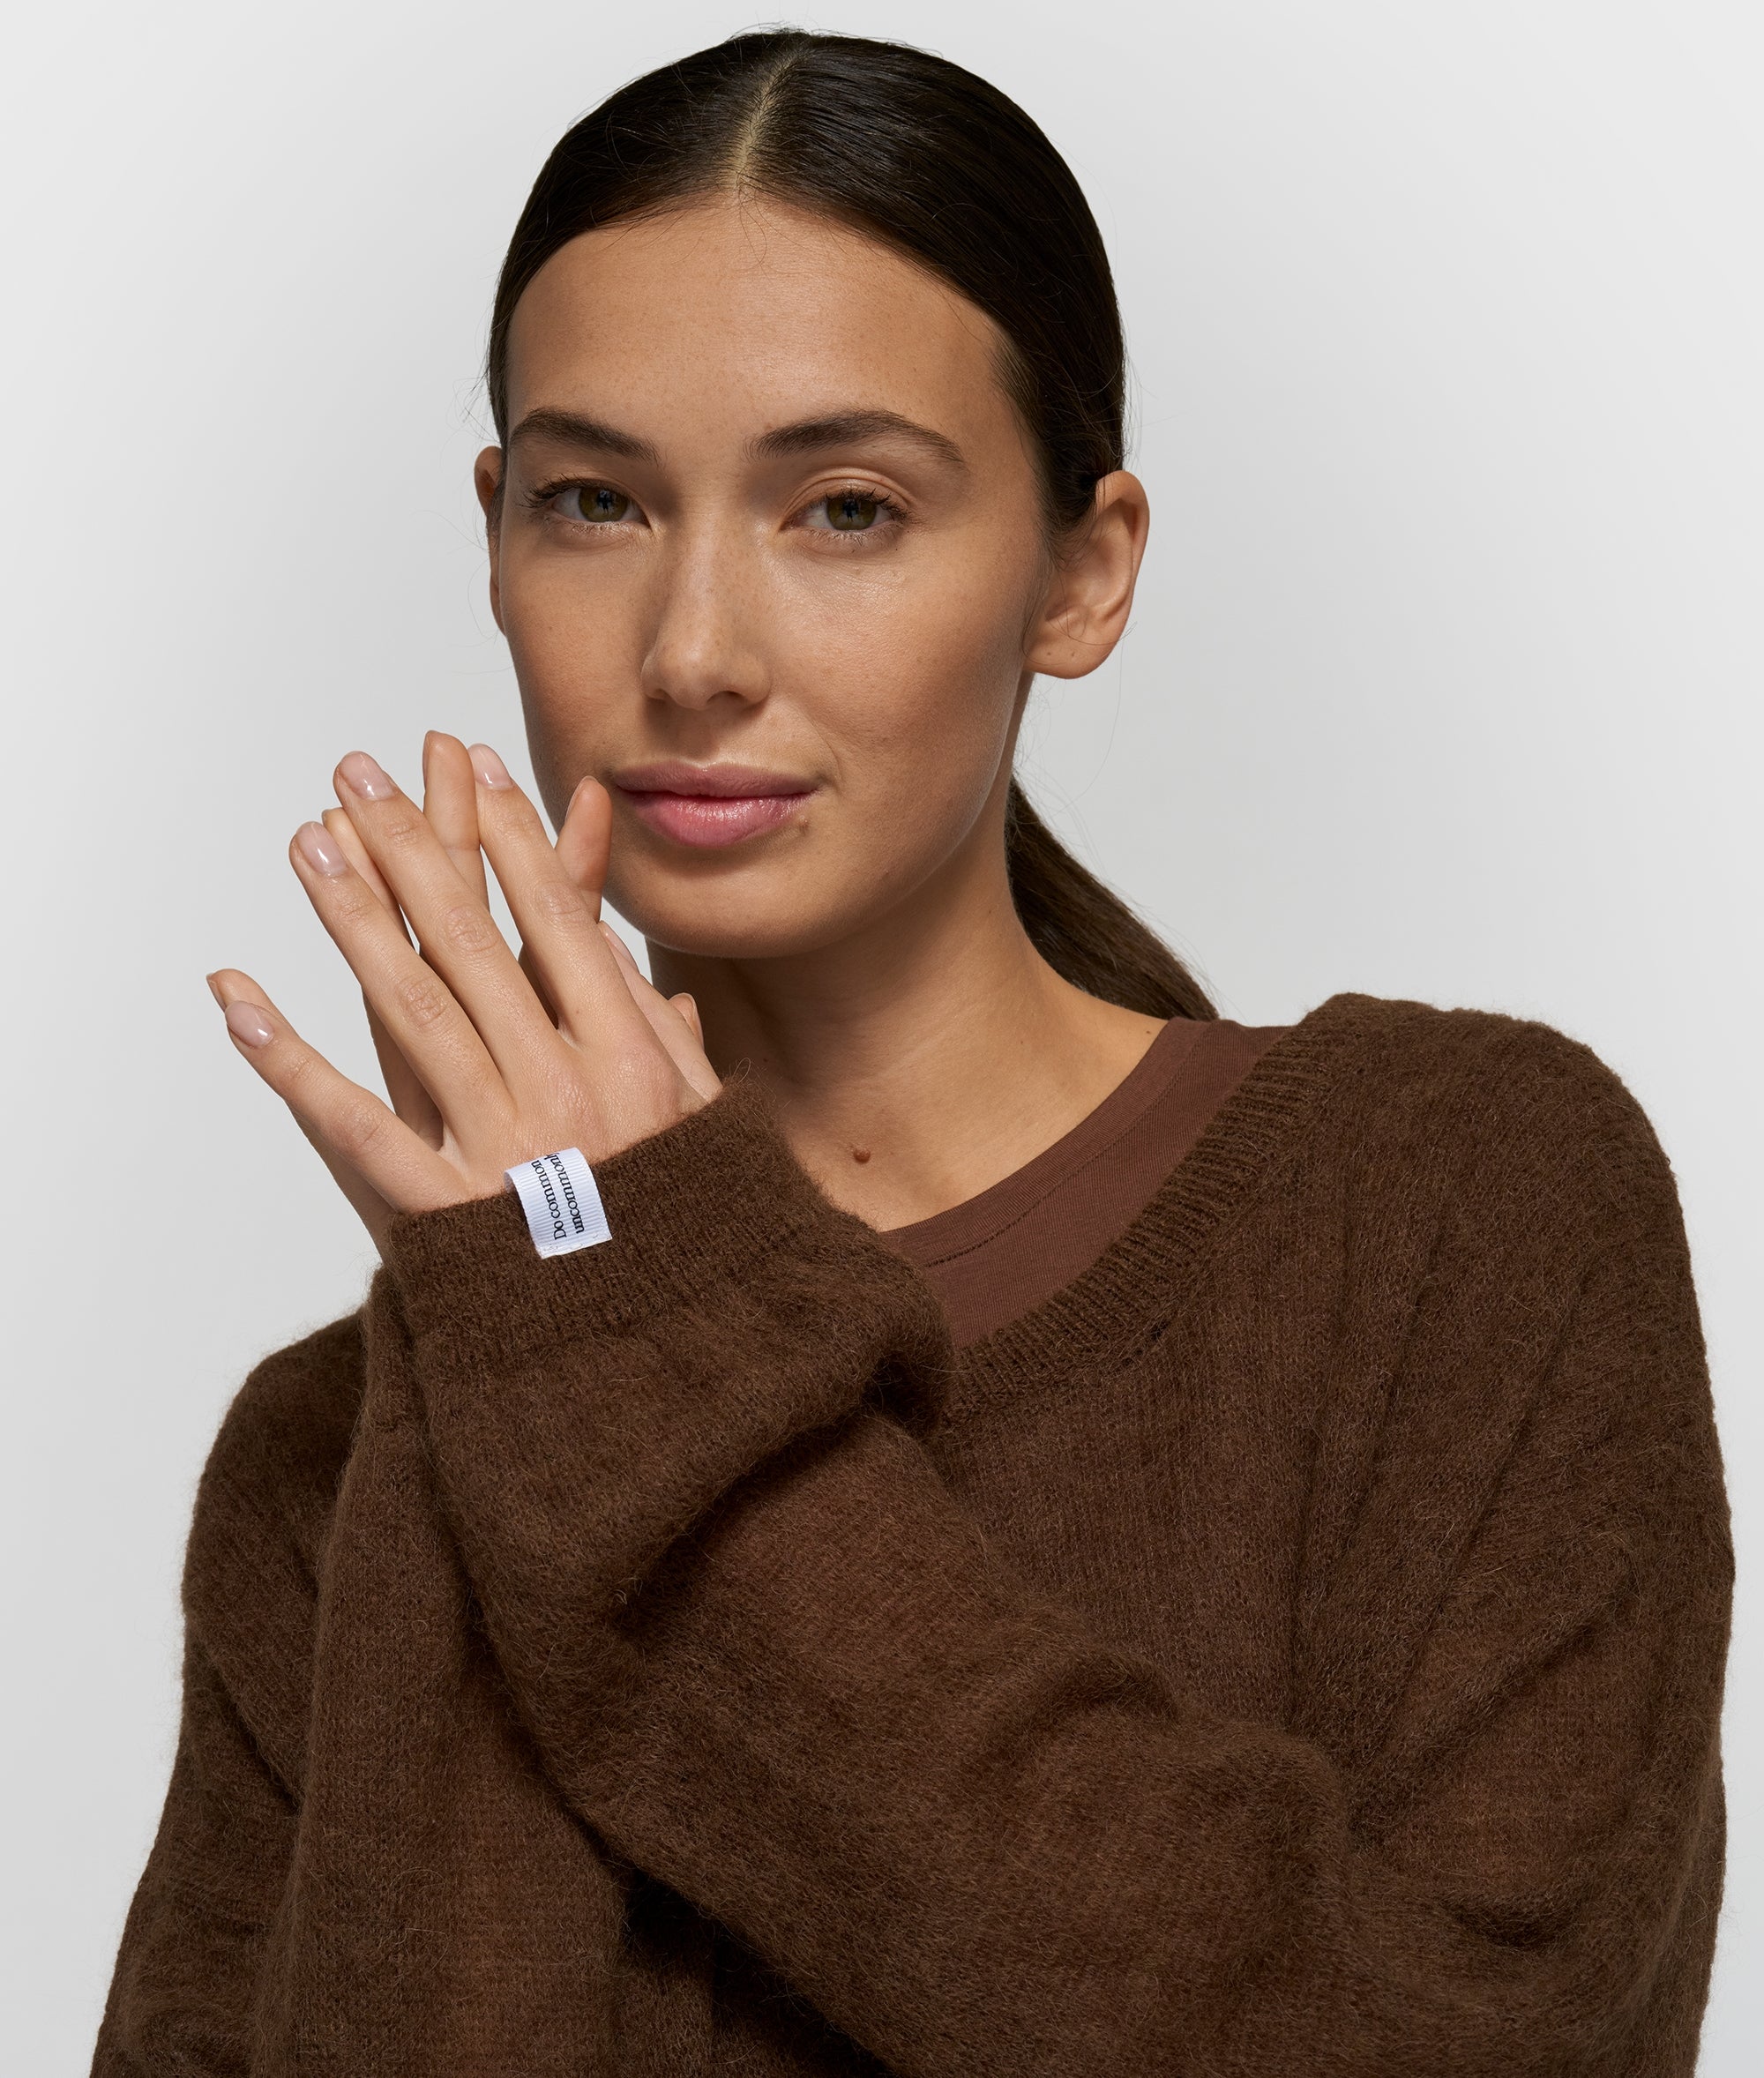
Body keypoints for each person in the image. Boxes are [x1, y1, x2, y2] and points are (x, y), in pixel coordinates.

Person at [93, 29, 1732, 2077]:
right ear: (495, 535)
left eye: (845, 508)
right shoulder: (325, 1454)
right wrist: (493, 1345)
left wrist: (619, 1346)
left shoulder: (1451, 1206)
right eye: (595, 501)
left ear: (1079, 571)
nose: (692, 652)